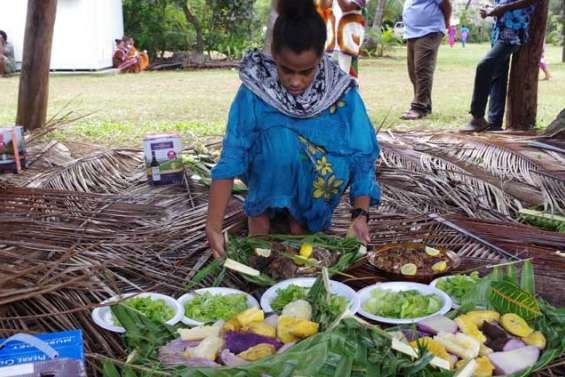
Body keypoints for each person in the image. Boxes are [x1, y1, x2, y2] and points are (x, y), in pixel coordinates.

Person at [206, 0, 381, 258]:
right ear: (275, 56)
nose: (296, 81)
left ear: (321, 58)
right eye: (287, 70)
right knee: (280, 144)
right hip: (270, 169)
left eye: (306, 71)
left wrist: (360, 216)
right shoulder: (256, 89)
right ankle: (262, 216)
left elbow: (362, 156)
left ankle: (303, 218)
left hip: (314, 178)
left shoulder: (340, 91)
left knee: (335, 159)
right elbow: (233, 155)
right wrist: (213, 225)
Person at [462, 0, 539, 132]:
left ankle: (477, 117)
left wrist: (501, 8)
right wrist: (488, 9)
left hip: (513, 33)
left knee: (484, 66)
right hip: (499, 32)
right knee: (498, 76)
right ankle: (494, 123)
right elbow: (499, 5)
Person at [400, 0, 452, 120]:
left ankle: (419, 107)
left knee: (422, 69)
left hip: (429, 31)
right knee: (413, 71)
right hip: (412, 33)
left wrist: (446, 22)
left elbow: (445, 3)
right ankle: (425, 104)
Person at [317, 0, 369, 79]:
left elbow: (346, 8)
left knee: (347, 79)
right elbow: (323, 6)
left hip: (348, 43)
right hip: (332, 43)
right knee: (328, 78)